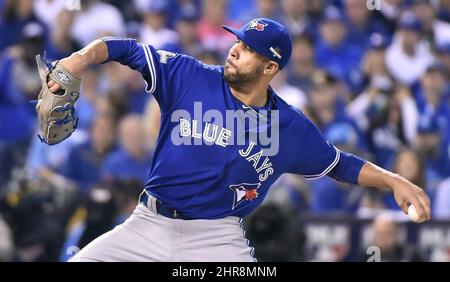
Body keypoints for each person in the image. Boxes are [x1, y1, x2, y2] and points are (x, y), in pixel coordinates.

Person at [43, 18, 430, 262]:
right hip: (147, 224)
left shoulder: (289, 127)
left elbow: (341, 164)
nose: (234, 50)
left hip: (216, 237)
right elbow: (126, 49)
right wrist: (80, 59)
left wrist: (394, 180)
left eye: (247, 50)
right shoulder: (188, 75)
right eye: (237, 42)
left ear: (270, 67)